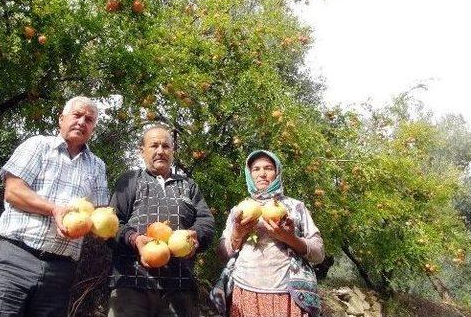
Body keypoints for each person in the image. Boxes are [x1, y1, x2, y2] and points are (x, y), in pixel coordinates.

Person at [0, 96, 109, 317]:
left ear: (93, 127)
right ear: (61, 119)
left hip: (60, 271)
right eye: (77, 115)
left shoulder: (97, 166)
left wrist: (101, 227)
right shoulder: (38, 145)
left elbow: (100, 215)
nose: (82, 122)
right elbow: (13, 191)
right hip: (13, 257)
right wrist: (54, 210)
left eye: (89, 119)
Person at [108, 124, 215, 317]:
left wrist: (196, 235)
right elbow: (112, 224)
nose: (160, 151)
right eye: (154, 145)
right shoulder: (130, 180)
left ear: (173, 151)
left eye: (166, 146)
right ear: (142, 151)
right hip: (131, 285)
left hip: (179, 287)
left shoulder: (188, 186)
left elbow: (206, 221)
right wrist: (134, 239)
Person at [218, 150, 324, 317]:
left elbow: (319, 254)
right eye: (256, 169)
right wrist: (237, 235)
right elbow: (223, 254)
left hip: (288, 295)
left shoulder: (295, 207)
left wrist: (289, 238)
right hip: (245, 293)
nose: (262, 174)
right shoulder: (239, 210)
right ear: (249, 174)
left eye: (268, 168)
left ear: (277, 172)